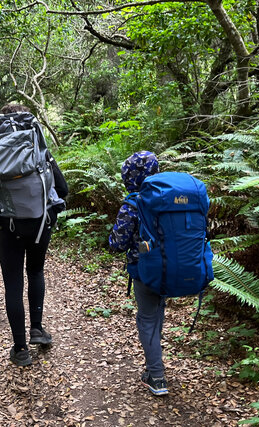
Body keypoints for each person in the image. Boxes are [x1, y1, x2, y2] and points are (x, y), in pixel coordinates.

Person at [0, 104, 68, 366]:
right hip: (40, 223)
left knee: (13, 285)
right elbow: (63, 187)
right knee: (35, 272)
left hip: (9, 227)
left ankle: (20, 349)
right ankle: (37, 329)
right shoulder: (39, 148)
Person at [108, 151, 168, 396]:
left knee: (146, 318)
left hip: (145, 270)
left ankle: (157, 376)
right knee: (157, 314)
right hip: (171, 267)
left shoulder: (133, 204)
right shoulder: (168, 199)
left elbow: (117, 243)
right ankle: (153, 367)